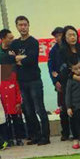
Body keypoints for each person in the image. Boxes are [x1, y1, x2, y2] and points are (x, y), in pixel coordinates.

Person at [10, 16, 50, 145]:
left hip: (34, 80)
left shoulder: (33, 42)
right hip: (21, 81)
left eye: (25, 25)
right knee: (28, 110)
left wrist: (18, 58)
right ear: (16, 26)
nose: (23, 27)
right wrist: (20, 59)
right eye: (20, 25)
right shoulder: (15, 43)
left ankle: (45, 136)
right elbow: (11, 60)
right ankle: (35, 135)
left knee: (39, 109)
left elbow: (32, 60)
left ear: (29, 26)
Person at [47, 27, 72, 141]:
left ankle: (77, 132)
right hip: (61, 84)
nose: (58, 38)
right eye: (56, 36)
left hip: (73, 82)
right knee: (63, 110)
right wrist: (55, 82)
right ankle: (65, 133)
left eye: (60, 35)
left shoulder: (71, 48)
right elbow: (51, 68)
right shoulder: (53, 51)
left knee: (75, 108)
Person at [0, 65, 26, 146]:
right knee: (6, 123)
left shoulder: (13, 75)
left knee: (16, 122)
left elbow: (17, 89)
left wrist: (18, 102)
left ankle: (18, 139)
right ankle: (9, 139)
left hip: (13, 104)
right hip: (3, 105)